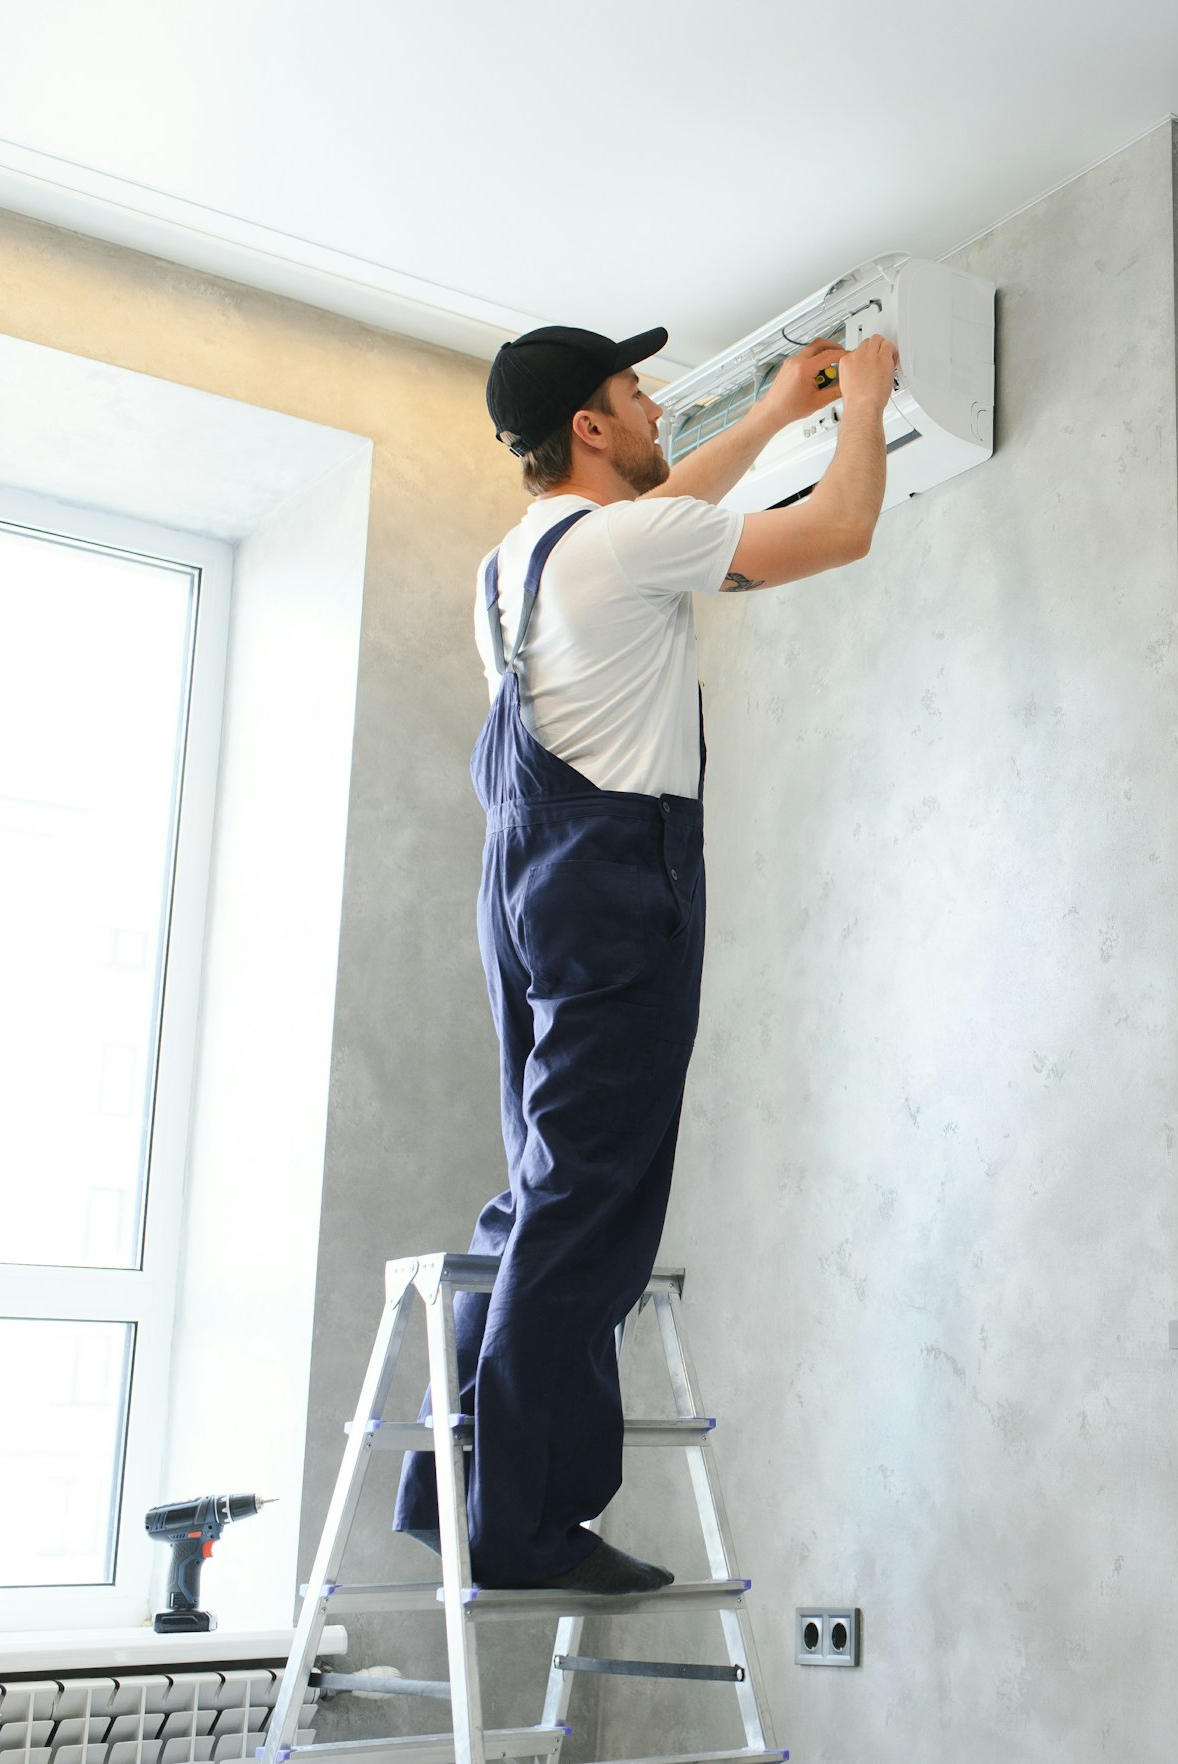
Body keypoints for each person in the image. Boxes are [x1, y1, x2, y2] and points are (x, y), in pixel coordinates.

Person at [395, 320, 900, 1591]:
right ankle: (515, 1523)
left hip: (527, 888)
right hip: (619, 892)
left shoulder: (515, 565)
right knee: (587, 1206)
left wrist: (776, 406)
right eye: (635, 391)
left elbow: (667, 512)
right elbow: (839, 531)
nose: (654, 404)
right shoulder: (623, 542)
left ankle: (449, 1492)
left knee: (538, 1189)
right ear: (590, 426)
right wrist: (861, 404)